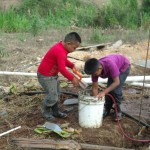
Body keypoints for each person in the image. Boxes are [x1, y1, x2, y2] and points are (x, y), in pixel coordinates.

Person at [37, 32, 81, 120]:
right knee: (53, 96)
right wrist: (72, 78)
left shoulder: (62, 48)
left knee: (56, 94)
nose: (74, 50)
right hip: (45, 76)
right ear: (68, 44)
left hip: (51, 76)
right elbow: (62, 69)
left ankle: (55, 111)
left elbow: (63, 60)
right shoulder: (60, 50)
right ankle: (45, 111)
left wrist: (71, 65)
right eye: (74, 48)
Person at [84, 54, 131, 121]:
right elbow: (94, 87)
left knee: (116, 90)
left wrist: (103, 92)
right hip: (113, 68)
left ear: (99, 68)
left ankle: (118, 111)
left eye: (94, 74)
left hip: (123, 66)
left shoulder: (110, 64)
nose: (93, 76)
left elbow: (116, 82)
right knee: (109, 88)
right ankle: (107, 108)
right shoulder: (94, 70)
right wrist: (95, 102)